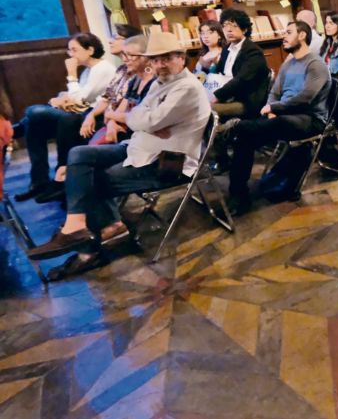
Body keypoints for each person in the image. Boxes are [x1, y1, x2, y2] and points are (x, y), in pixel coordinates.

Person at [25, 32, 211, 279]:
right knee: (79, 154)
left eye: (167, 58)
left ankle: (89, 252)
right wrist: (143, 121)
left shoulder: (186, 87)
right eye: (156, 59)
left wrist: (143, 121)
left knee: (88, 180)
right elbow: (140, 116)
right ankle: (79, 225)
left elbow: (145, 120)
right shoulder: (160, 82)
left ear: (181, 57)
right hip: (140, 147)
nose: (160, 64)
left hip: (166, 161)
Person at [225, 21, 331, 215]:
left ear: (302, 35)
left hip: (310, 118)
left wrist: (276, 108)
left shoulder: (315, 64)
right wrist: (271, 109)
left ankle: (233, 132)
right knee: (244, 137)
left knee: (245, 129)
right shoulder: (288, 64)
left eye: (289, 32)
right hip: (284, 116)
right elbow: (274, 92)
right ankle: (238, 194)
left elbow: (307, 98)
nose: (284, 37)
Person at [13, 32, 118, 203]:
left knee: (34, 112)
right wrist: (63, 98)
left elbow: (80, 99)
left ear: (90, 50)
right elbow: (75, 96)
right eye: (69, 50)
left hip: (88, 116)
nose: (70, 55)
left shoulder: (102, 69)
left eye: (74, 50)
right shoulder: (89, 70)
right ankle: (39, 182)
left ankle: (11, 132)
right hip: (77, 112)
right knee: (33, 124)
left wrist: (71, 74)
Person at [86, 34, 156, 146]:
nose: (124, 59)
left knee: (80, 152)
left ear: (147, 57)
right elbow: (119, 109)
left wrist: (110, 115)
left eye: (130, 55)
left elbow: (141, 120)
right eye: (124, 54)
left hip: (142, 138)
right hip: (125, 130)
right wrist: (111, 124)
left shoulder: (155, 83)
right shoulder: (135, 80)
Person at [213, 8, 271, 122]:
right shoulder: (226, 49)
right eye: (225, 26)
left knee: (205, 110)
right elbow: (219, 73)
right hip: (227, 96)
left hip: (245, 101)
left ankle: (222, 131)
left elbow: (241, 80)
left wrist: (217, 96)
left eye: (234, 26)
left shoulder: (253, 52)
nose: (229, 30)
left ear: (244, 29)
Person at [194, 21, 227, 92]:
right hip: (205, 92)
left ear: (219, 35)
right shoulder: (202, 56)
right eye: (202, 33)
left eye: (210, 32)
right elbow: (198, 80)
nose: (205, 36)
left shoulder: (226, 53)